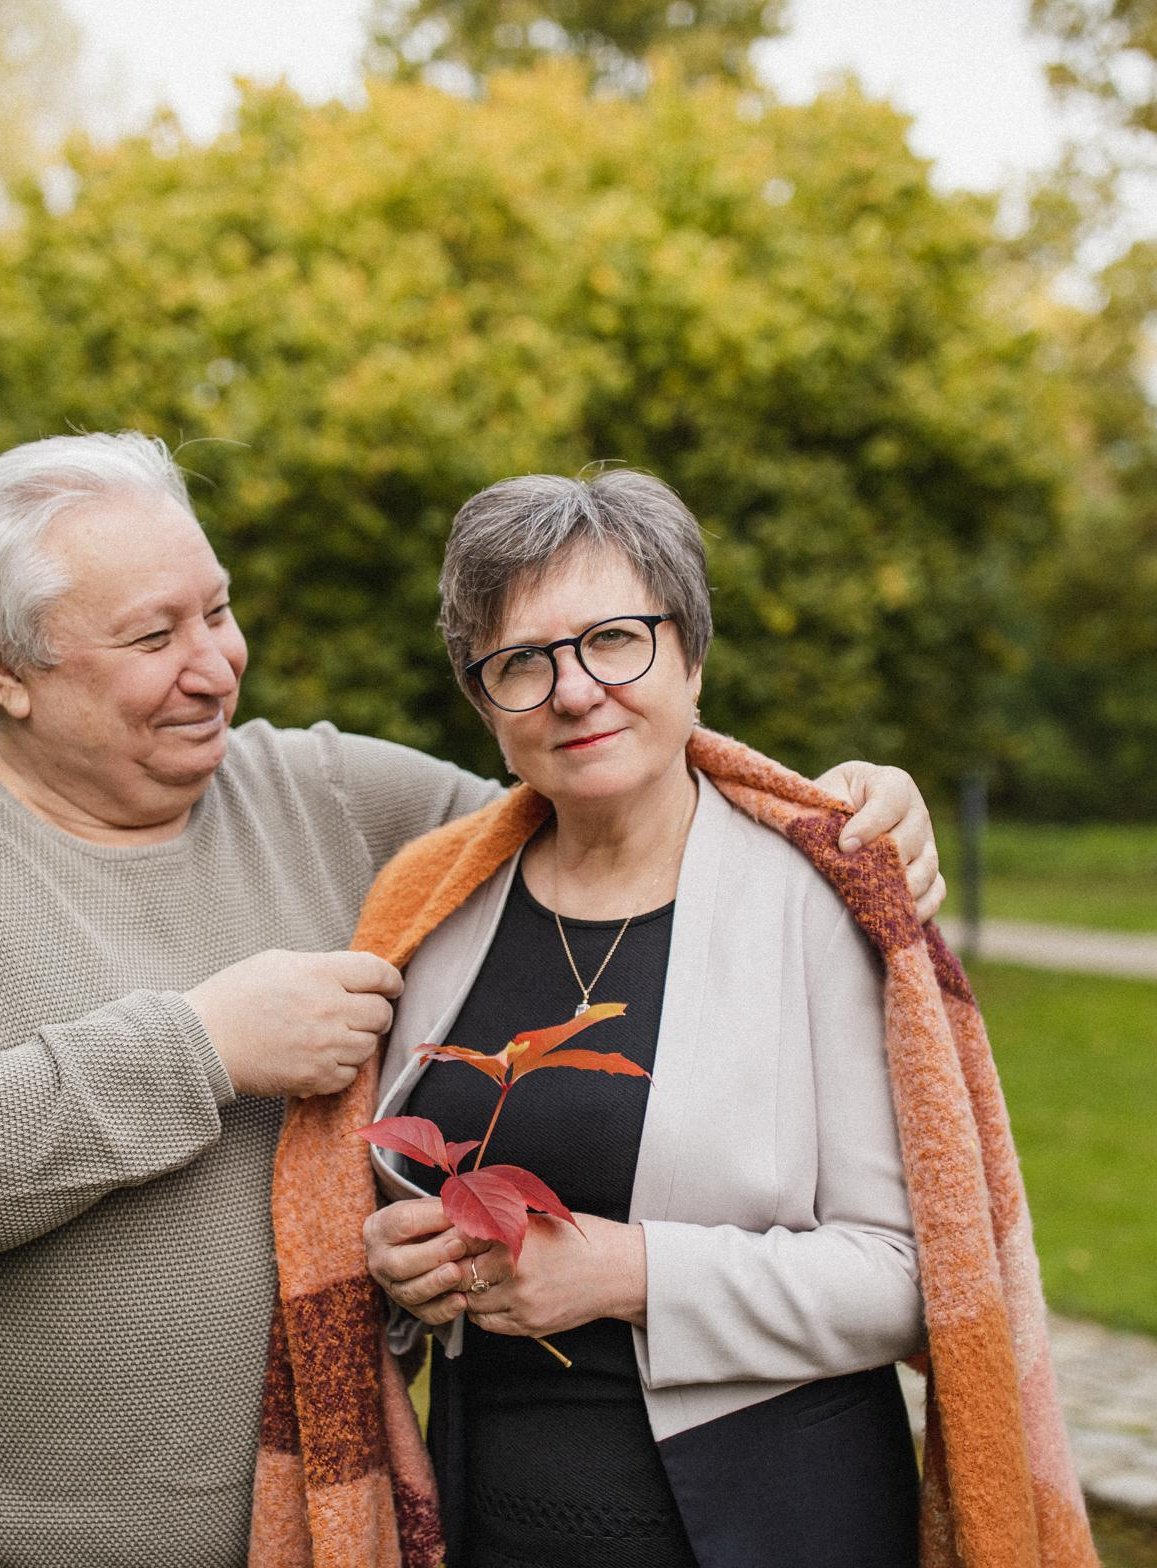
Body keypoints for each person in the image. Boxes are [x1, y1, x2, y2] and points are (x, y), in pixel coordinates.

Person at [0, 433, 947, 1568]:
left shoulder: (333, 797)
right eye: (154, 635)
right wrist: (201, 1045)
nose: (215, 664)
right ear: (5, 670)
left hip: (310, 1538)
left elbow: (599, 766)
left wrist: (832, 808)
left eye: (217, 608)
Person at [358, 470, 933, 1568]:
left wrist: (631, 1272)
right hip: (493, 1515)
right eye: (523, 661)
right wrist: (401, 1273)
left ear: (692, 653)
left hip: (769, 1520)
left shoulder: (819, 896)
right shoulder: (435, 913)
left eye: (616, 638)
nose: (575, 692)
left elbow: (908, 1277)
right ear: (485, 704)